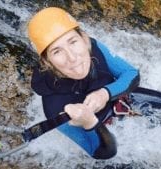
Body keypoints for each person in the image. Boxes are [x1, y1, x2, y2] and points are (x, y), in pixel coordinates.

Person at [27, 7, 140, 159]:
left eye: (73, 42)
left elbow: (132, 74)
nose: (72, 57)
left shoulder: (94, 47)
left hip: (118, 101)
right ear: (48, 62)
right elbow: (103, 152)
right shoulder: (54, 107)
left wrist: (105, 93)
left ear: (84, 39)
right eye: (57, 51)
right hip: (102, 132)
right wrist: (89, 121)